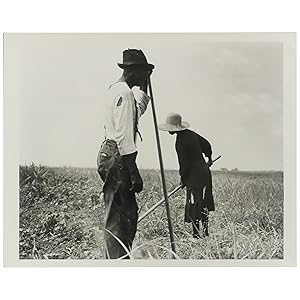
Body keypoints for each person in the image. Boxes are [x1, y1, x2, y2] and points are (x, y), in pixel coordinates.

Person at [97, 49, 154, 258]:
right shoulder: (124, 94)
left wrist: (145, 83)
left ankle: (117, 258)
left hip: (108, 152)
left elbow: (137, 109)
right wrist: (134, 172)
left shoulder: (116, 89)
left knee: (121, 214)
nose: (144, 77)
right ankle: (118, 262)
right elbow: (123, 136)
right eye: (142, 72)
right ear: (132, 71)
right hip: (118, 155)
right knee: (122, 217)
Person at [159, 113, 215, 238]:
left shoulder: (180, 142)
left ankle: (196, 235)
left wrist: (183, 179)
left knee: (194, 204)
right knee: (203, 203)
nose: (169, 131)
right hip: (205, 174)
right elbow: (207, 145)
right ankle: (205, 233)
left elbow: (184, 164)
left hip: (194, 177)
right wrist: (209, 159)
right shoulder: (192, 134)